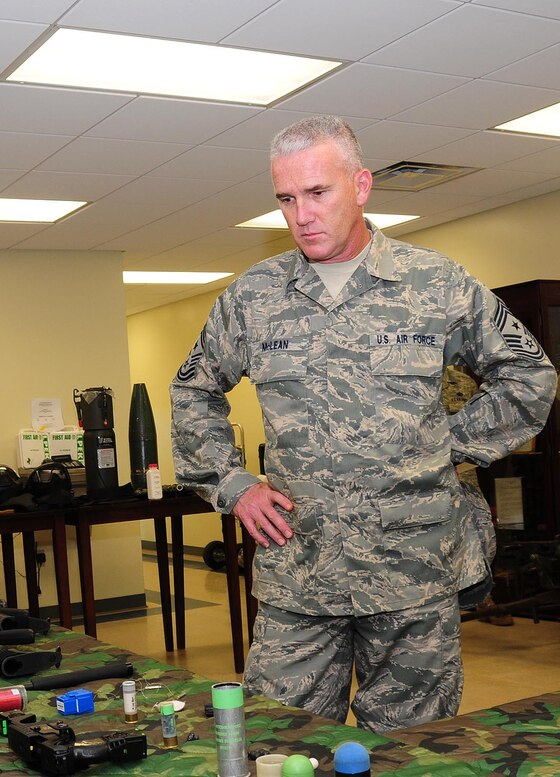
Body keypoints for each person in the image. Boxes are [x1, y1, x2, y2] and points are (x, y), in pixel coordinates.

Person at [170, 115, 556, 733]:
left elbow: (529, 375)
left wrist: (446, 445)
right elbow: (193, 388)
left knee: (410, 749)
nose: (301, 215)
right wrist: (232, 483)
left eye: (317, 193)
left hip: (415, 572)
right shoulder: (253, 297)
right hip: (300, 569)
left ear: (362, 186)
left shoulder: (436, 284)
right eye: (286, 199)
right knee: (277, 742)